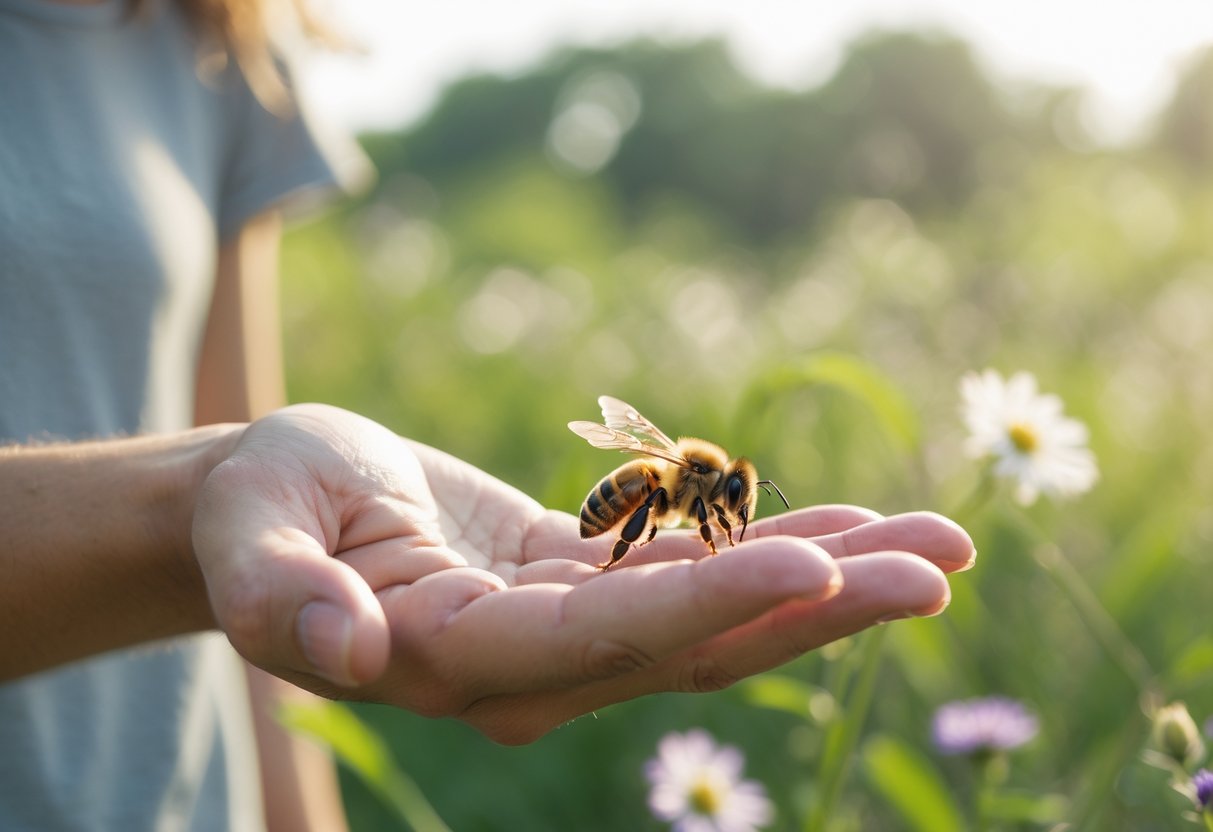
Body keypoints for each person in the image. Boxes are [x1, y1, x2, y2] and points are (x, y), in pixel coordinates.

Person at [0, 1, 973, 830]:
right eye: (726, 499)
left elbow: (252, 515)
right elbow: (226, 502)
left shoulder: (211, 27)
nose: (725, 505)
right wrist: (181, 515)